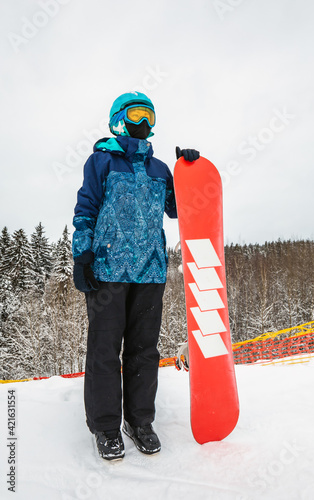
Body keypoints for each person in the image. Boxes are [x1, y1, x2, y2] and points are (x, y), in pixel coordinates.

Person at [72, 91, 199, 460]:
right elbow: (86, 208)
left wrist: (188, 171)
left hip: (150, 271)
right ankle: (107, 427)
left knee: (144, 351)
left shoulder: (160, 169)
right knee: (104, 351)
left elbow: (179, 210)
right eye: (136, 114)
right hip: (108, 271)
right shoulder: (101, 162)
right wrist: (82, 256)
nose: (144, 122)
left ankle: (140, 422)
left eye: (149, 115)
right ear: (118, 119)